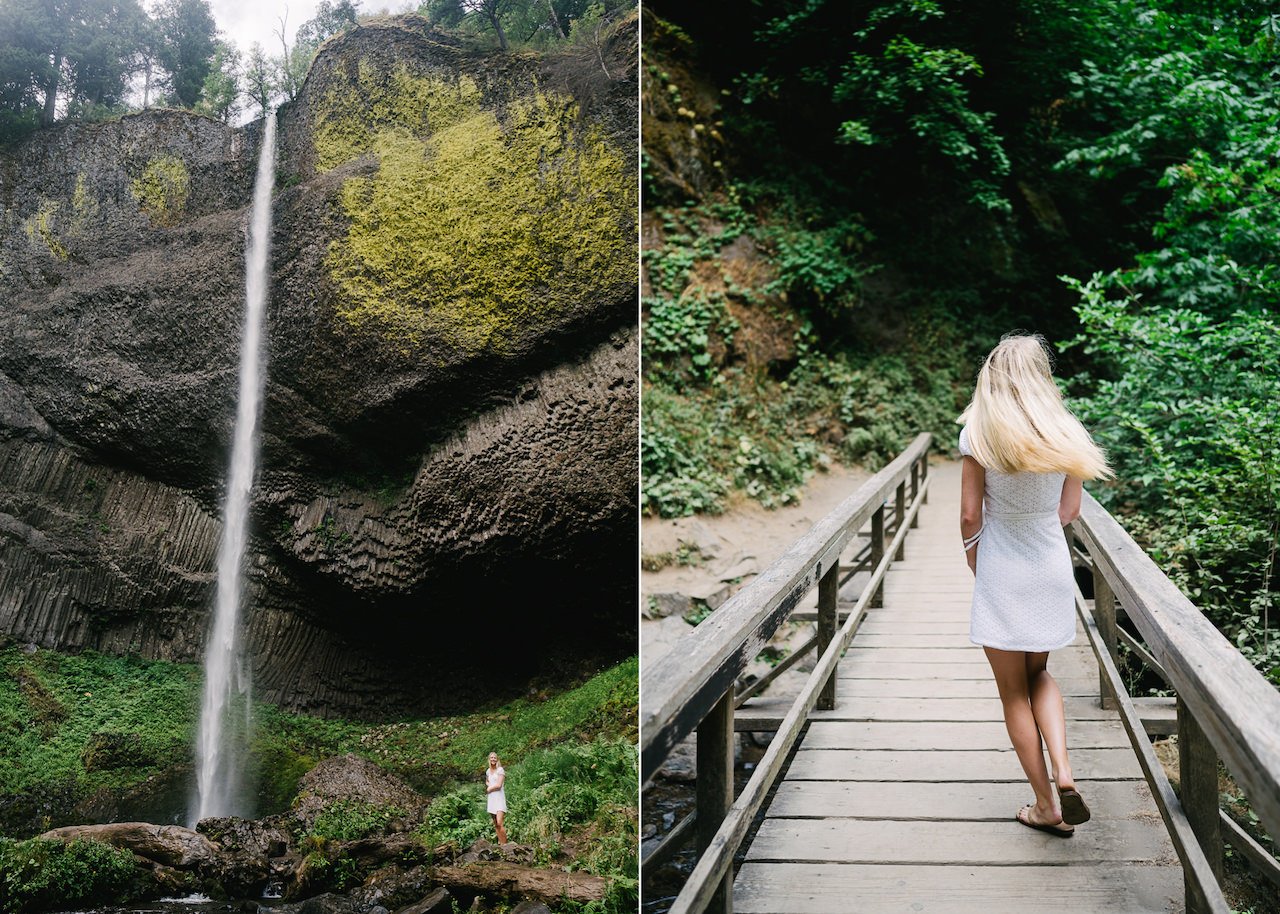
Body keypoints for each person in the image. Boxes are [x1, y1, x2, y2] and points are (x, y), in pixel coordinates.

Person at [958, 333, 1112, 838]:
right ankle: (1065, 771)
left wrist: (977, 562)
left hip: (1002, 565)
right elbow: (1068, 511)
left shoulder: (980, 433)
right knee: (1041, 674)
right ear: (1041, 376)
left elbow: (968, 515)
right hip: (1049, 565)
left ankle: (1047, 804)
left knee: (1011, 693)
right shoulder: (1066, 431)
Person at [485, 751, 507, 844]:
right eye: (491, 758)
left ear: (497, 759)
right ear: (489, 760)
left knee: (499, 822)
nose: (493, 759)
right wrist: (488, 785)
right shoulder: (488, 771)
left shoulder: (500, 770)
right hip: (492, 799)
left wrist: (489, 789)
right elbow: (487, 781)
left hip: (499, 798)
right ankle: (501, 844)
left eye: (495, 758)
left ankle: (505, 844)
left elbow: (498, 785)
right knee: (495, 824)